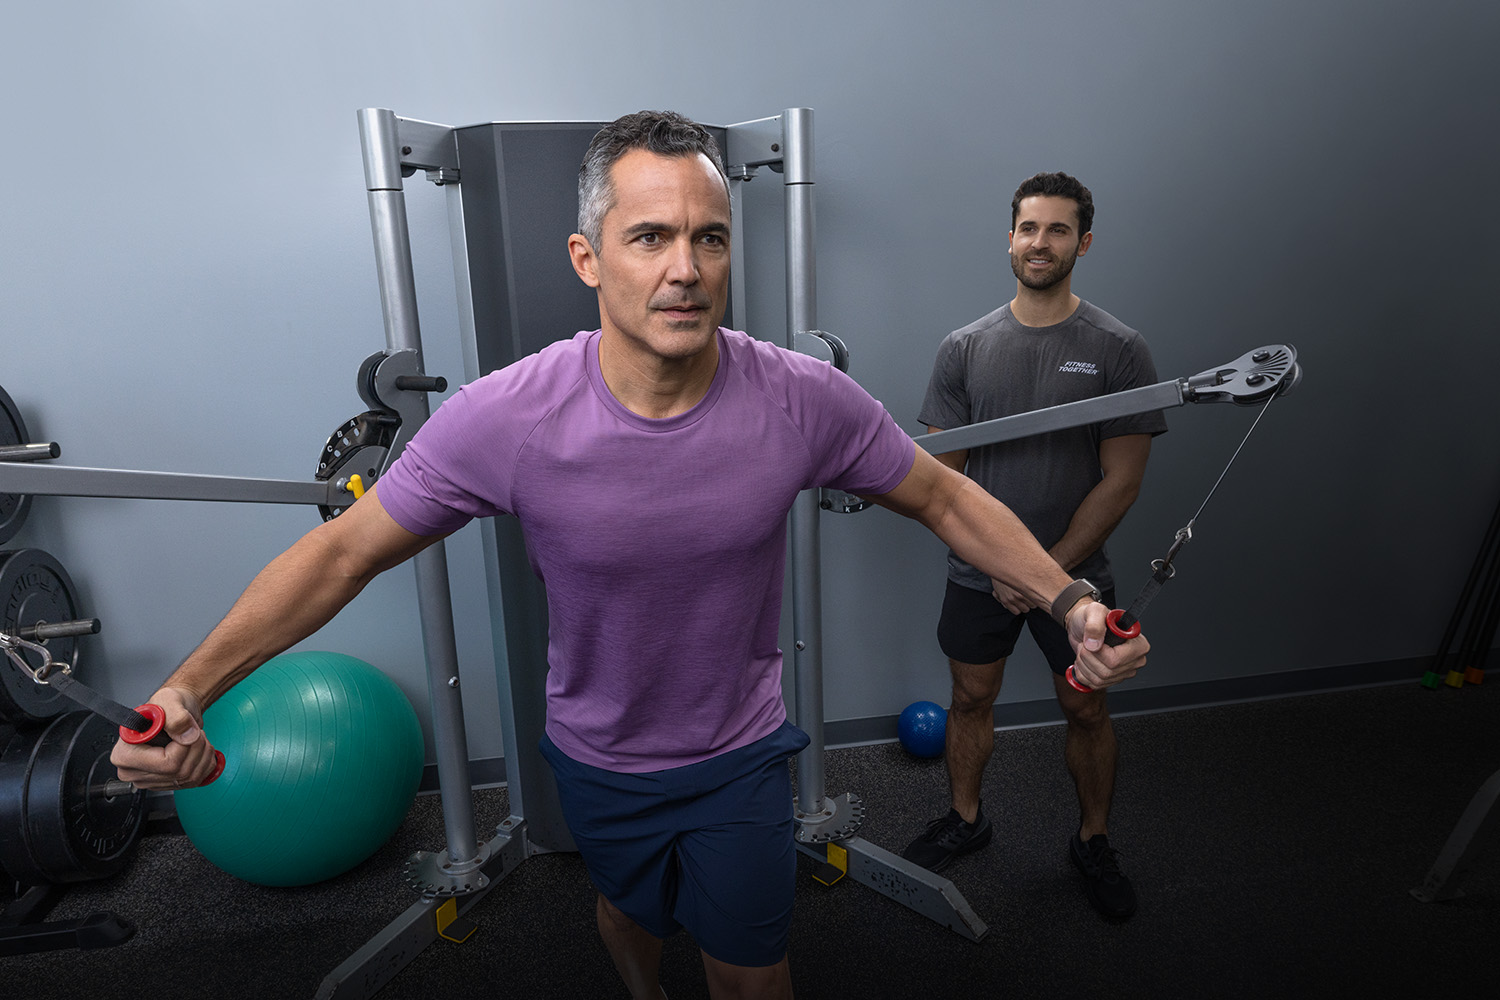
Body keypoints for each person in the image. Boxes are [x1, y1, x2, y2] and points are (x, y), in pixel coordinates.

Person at [110, 118, 1150, 999]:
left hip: (739, 751)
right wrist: (189, 687)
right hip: (598, 752)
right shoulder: (504, 417)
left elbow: (943, 494)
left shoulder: (800, 398)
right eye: (649, 236)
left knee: (752, 972)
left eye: (708, 238)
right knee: (627, 918)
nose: (685, 269)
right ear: (588, 257)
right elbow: (342, 554)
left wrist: (1068, 602)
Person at [902, 172, 1167, 921]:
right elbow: (938, 481)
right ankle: (965, 819)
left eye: (1057, 230)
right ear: (1009, 238)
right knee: (969, 698)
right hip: (976, 576)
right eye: (1028, 228)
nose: (1039, 242)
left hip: (1077, 580)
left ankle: (1092, 838)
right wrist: (1001, 566)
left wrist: (1047, 578)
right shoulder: (965, 348)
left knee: (1085, 711)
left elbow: (1121, 482)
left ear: (1082, 242)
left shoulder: (1119, 349)